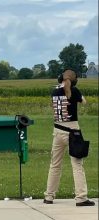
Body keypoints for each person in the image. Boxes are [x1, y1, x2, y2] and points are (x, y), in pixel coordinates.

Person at [43, 69, 95, 206]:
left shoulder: (54, 92)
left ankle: (49, 196)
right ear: (73, 80)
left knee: (55, 165)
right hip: (73, 131)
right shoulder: (75, 91)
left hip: (57, 131)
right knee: (77, 165)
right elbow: (84, 102)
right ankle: (81, 197)